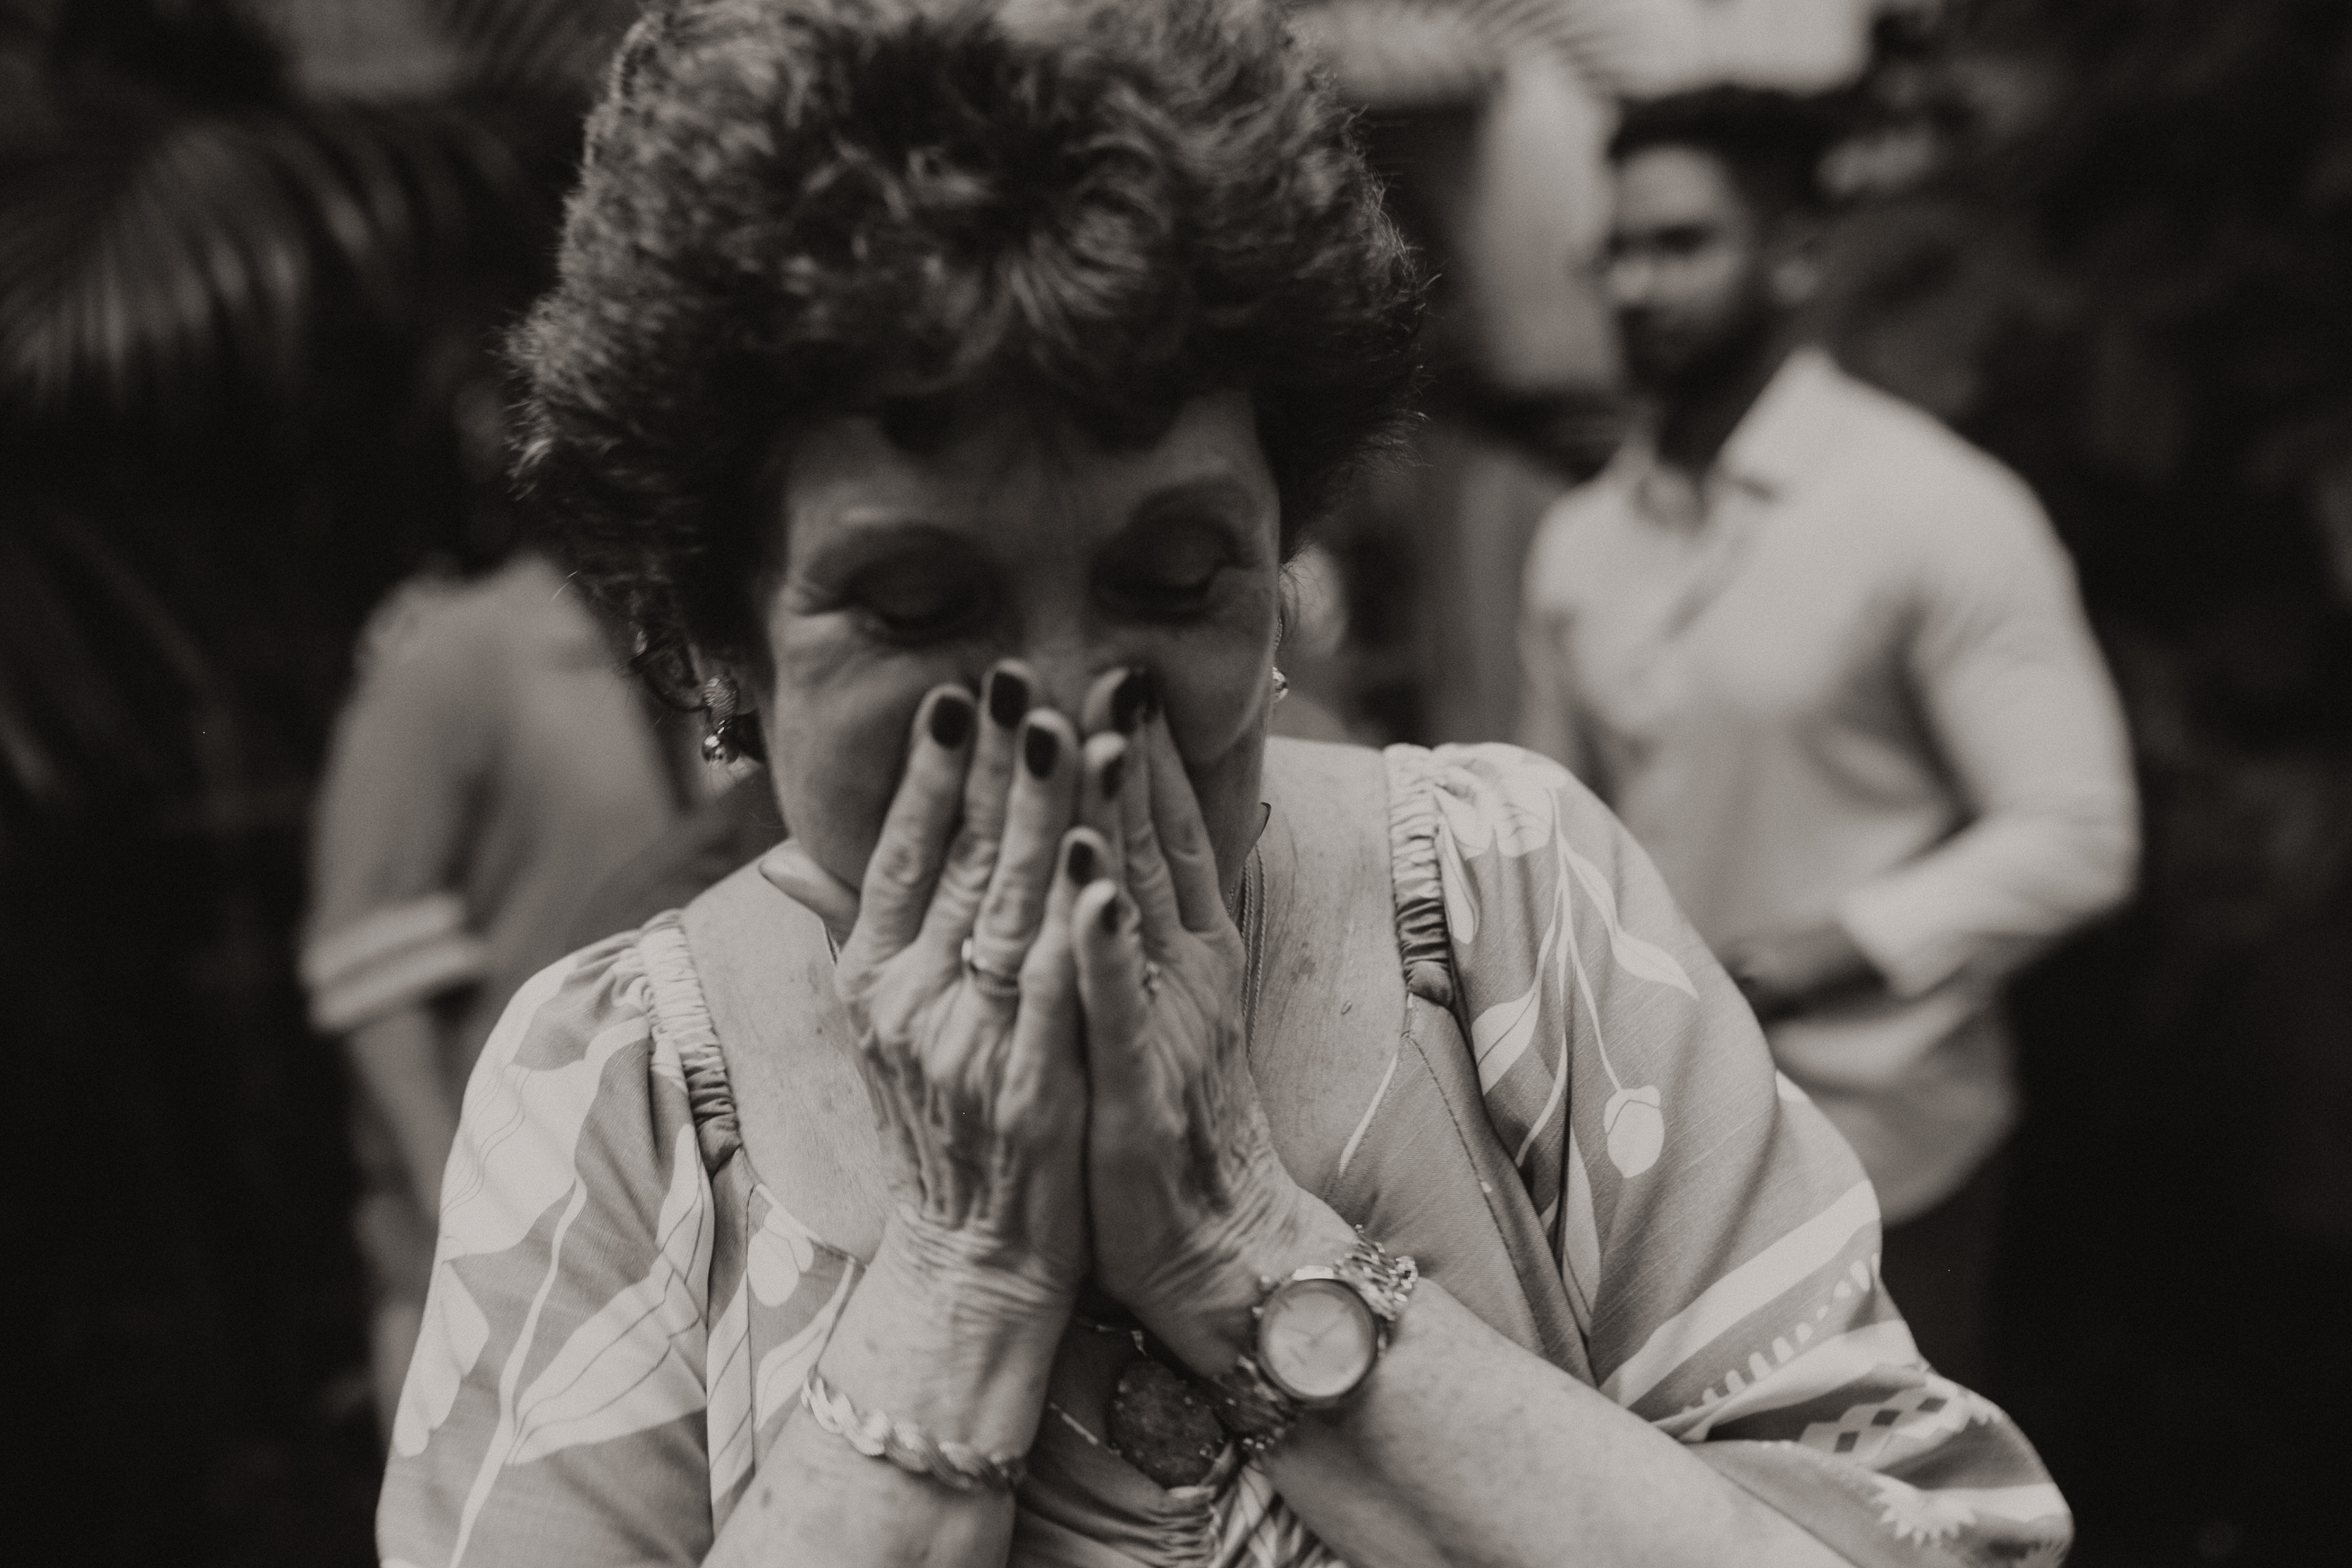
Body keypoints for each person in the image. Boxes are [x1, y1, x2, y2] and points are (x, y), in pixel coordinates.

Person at [379, 7, 2071, 1564]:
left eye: (1175, 581)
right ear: (717, 641)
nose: (1066, 703)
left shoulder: (1514, 910)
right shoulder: (613, 1093)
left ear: (1281, 572)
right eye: (919, 606)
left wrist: (1232, 1236)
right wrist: (966, 1271)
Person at [1518, 87, 2139, 1392]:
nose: (1635, 286)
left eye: (1682, 245)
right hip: (1653, 1161)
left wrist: (1806, 961)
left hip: (1889, 1155)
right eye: (1616, 252)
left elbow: (2079, 833)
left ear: (1796, 253)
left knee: (1890, 1493)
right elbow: (1546, 831)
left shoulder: (1935, 506)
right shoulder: (1576, 544)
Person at [302, 543, 707, 1437]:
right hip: (509, 1252)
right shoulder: (457, 652)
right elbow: (365, 968)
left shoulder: (705, 637)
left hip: (673, 1235)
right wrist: (471, 1223)